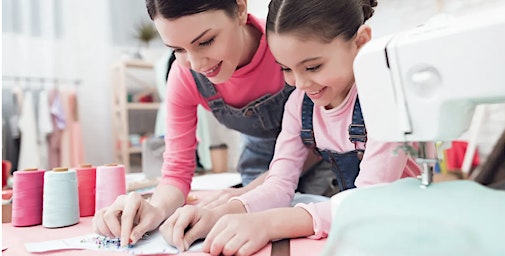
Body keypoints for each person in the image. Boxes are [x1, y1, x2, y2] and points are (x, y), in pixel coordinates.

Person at [162, 0, 423, 254]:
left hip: (407, 226)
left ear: (360, 42)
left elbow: (368, 199)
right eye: (286, 68)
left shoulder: (383, 101)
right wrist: (219, 214)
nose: (300, 83)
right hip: (358, 229)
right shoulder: (300, 104)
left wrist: (269, 224)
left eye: (312, 67)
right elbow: (279, 184)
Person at [92, 0, 336, 247]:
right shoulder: (184, 76)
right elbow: (177, 170)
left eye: (205, 42)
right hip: (260, 165)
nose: (196, 65)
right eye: (177, 50)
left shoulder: (287, 43)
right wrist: (154, 208)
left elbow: (323, 138)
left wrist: (243, 196)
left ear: (240, 9)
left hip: (323, 159)